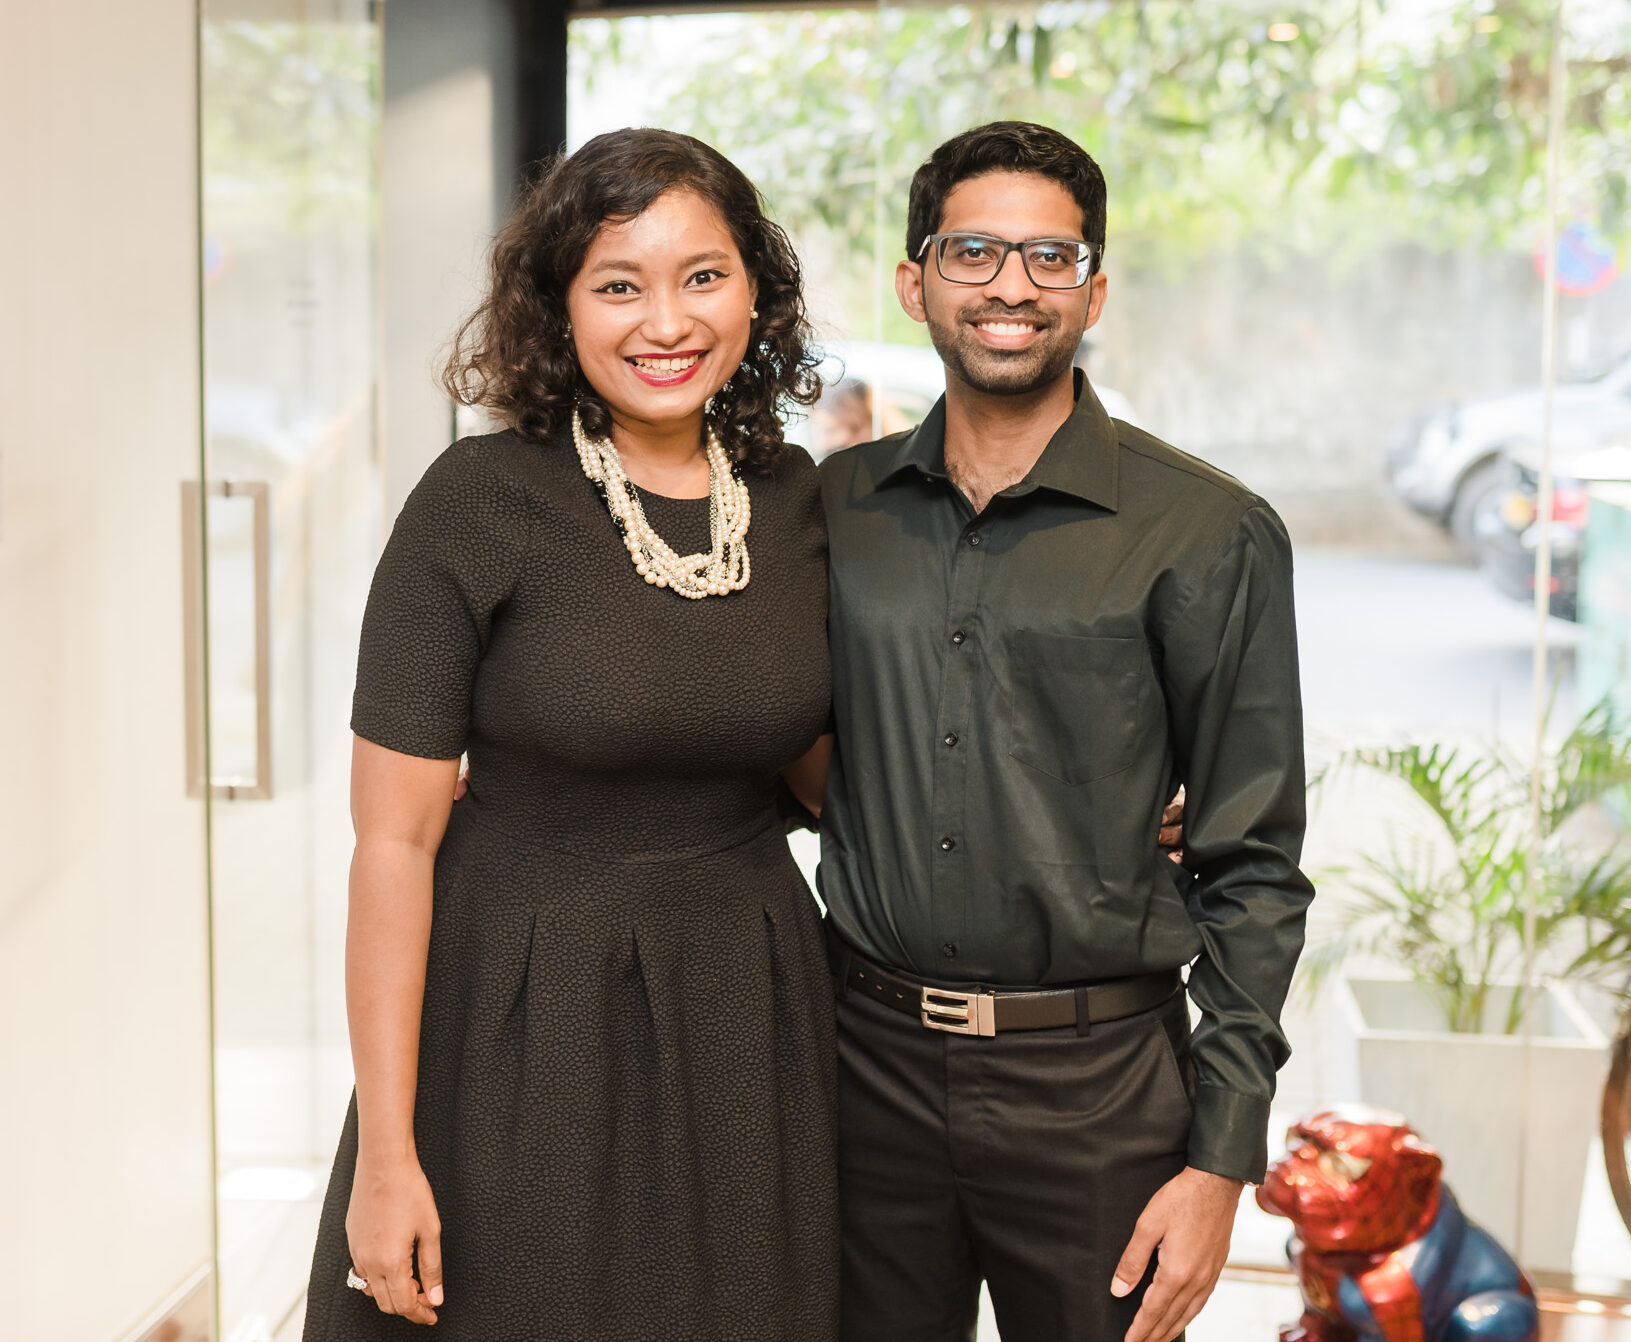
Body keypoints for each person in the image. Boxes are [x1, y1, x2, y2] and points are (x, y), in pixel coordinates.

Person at [301, 128, 839, 1341]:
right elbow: (390, 846)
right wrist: (386, 1159)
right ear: (557, 306)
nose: (666, 320)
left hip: (748, 1024)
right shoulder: (480, 501)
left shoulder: (800, 498)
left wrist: (1105, 806)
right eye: (617, 284)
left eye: (702, 275)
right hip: (520, 1019)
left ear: (756, 287)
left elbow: (834, 773)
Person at [817, 121, 1315, 1342]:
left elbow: (1253, 861)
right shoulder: (830, 511)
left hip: (1096, 1093)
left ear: (1091, 292)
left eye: (1049, 259)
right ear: (913, 280)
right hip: (857, 1074)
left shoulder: (1206, 531)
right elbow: (746, 720)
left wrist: (1219, 1162)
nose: (1009, 287)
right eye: (974, 250)